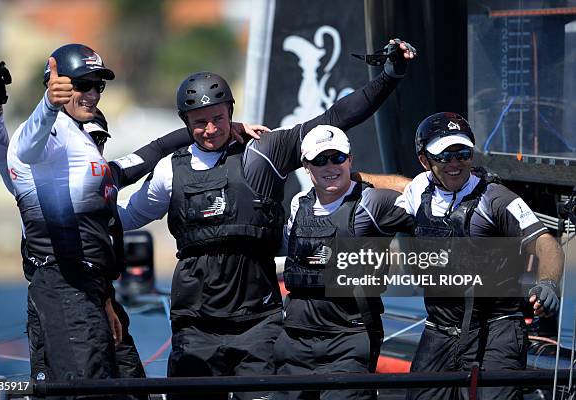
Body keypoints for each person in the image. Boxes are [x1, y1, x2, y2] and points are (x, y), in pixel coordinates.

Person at [118, 38, 416, 400]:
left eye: (218, 119)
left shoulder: (264, 153)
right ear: (185, 124)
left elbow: (336, 118)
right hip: (195, 326)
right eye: (199, 123)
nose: (210, 130)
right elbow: (128, 216)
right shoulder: (170, 170)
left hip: (258, 325)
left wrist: (389, 76)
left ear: (230, 112)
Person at [0, 49, 263, 393]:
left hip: (95, 289)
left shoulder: (92, 167)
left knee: (130, 384)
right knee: (85, 389)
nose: (93, 94)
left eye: (98, 87)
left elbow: (151, 152)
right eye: (83, 86)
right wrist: (38, 106)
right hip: (61, 282)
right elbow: (20, 150)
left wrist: (220, 130)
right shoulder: (44, 142)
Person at [395, 112, 564, 400]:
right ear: (425, 161)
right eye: (444, 156)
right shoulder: (417, 190)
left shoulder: (497, 199)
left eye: (462, 153)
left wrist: (548, 282)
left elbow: (546, 243)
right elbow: (387, 189)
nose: (455, 163)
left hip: (498, 329)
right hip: (439, 330)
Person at [275, 125, 415, 400]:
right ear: (306, 166)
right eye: (320, 160)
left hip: (349, 339)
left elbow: (419, 193)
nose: (330, 166)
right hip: (296, 339)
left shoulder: (373, 203)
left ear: (350, 159)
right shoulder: (297, 204)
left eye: (338, 158)